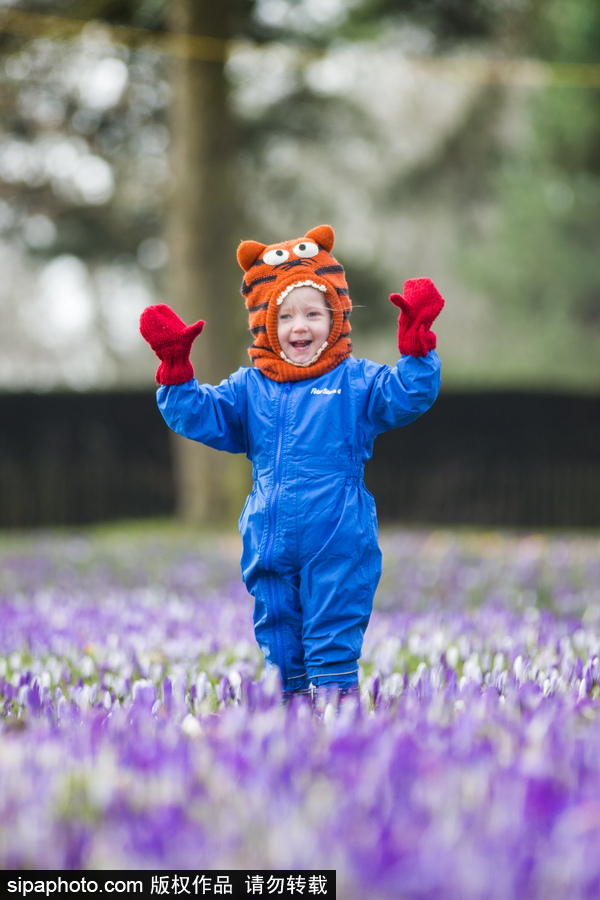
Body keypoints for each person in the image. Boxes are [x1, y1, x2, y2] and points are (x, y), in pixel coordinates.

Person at [139, 224, 443, 710]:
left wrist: (417, 348)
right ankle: (290, 718)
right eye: (285, 316)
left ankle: (337, 711)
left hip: (337, 535)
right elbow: (201, 415)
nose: (299, 327)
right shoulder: (249, 387)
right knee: (279, 634)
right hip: (268, 536)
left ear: (336, 317)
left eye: (313, 314)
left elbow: (407, 394)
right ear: (264, 323)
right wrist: (177, 374)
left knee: (332, 626)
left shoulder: (355, 382)